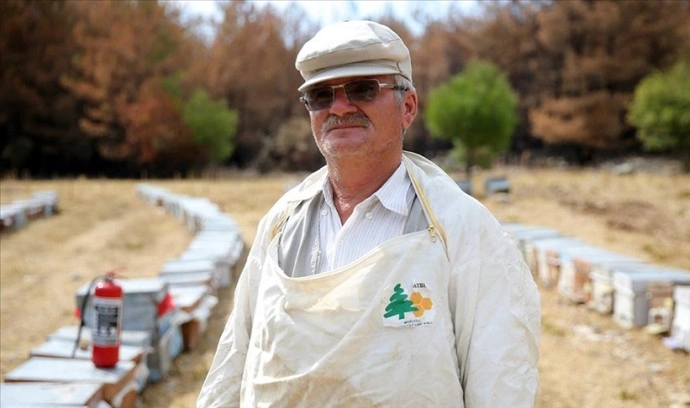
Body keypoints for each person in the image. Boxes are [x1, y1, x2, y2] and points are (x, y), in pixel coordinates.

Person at [197, 20, 541, 407]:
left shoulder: (461, 227)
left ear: (407, 107)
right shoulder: (281, 224)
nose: (339, 106)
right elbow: (235, 358)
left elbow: (502, 382)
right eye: (321, 95)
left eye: (362, 89)